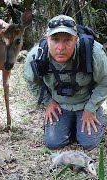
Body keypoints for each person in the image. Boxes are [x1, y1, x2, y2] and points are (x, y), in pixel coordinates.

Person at [24, 14, 107, 150]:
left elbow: (104, 81)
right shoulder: (36, 56)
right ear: (47, 39)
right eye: (55, 40)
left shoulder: (92, 53)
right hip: (60, 105)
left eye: (67, 40)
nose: (61, 47)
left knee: (89, 144)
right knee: (53, 143)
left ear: (76, 39)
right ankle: (70, 123)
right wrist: (48, 102)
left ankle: (95, 116)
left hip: (86, 102)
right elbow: (32, 81)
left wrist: (91, 108)